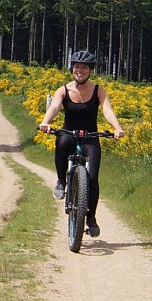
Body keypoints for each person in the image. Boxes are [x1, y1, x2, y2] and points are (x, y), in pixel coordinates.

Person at [38, 50, 125, 238]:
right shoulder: (64, 90)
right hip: (69, 132)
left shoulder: (99, 91)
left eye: (84, 67)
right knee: (62, 144)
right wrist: (46, 122)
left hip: (91, 136)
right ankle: (61, 180)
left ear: (90, 71)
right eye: (77, 66)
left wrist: (117, 128)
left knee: (92, 178)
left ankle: (91, 218)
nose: (80, 70)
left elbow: (107, 111)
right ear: (72, 69)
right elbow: (54, 107)